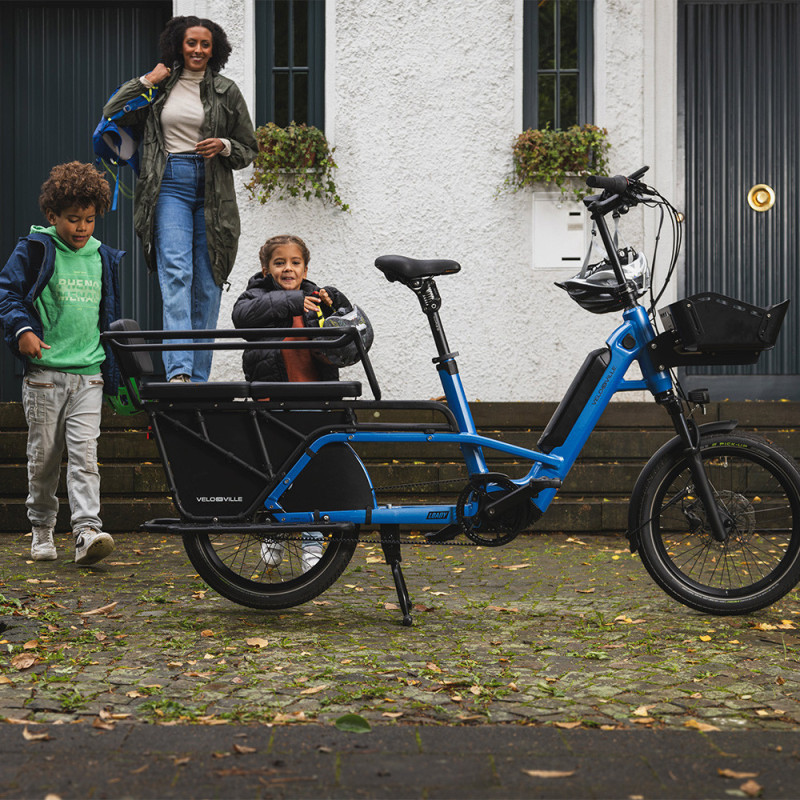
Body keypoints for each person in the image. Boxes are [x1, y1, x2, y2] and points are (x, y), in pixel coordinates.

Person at [102, 15, 257, 383]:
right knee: (175, 274)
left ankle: (198, 379)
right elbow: (111, 111)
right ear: (179, 45)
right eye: (191, 43)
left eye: (205, 44)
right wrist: (147, 80)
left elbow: (249, 149)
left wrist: (224, 144)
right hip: (169, 182)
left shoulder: (227, 90)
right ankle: (179, 373)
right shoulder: (161, 86)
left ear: (214, 48)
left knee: (207, 284)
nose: (198, 50)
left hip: (213, 191)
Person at [0, 162, 124, 565]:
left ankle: (87, 531)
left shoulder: (103, 257)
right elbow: (8, 294)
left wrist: (115, 367)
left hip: (89, 374)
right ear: (52, 217)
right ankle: (41, 527)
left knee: (86, 456)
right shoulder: (36, 249)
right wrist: (23, 331)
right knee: (45, 458)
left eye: (89, 219)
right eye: (73, 219)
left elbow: (109, 314)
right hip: (45, 378)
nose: (82, 227)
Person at [231, 235, 355, 572]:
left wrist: (335, 305)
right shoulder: (256, 295)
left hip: (315, 398)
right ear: (266, 269)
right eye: (280, 262)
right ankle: (275, 530)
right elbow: (242, 317)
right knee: (275, 469)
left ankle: (313, 536)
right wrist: (292, 301)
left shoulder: (316, 297)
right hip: (275, 398)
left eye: (295, 262)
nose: (288, 268)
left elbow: (345, 337)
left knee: (314, 470)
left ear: (305, 267)